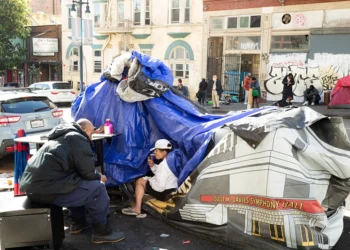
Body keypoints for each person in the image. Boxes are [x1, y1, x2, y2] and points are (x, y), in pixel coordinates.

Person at [19, 119, 125, 244]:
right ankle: (101, 232)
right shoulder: (77, 139)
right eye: (91, 134)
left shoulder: (60, 137)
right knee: (97, 187)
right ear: (84, 130)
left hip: (33, 189)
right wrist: (99, 177)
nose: (91, 139)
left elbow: (77, 173)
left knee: (75, 181)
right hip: (47, 190)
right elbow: (88, 173)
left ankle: (77, 223)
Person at [121, 139, 178, 218]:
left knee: (139, 181)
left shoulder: (164, 166)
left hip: (164, 192)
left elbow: (160, 187)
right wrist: (152, 166)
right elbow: (162, 174)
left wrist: (149, 181)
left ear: (164, 152)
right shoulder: (171, 160)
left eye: (157, 150)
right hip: (171, 190)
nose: (155, 152)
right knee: (145, 180)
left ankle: (137, 209)